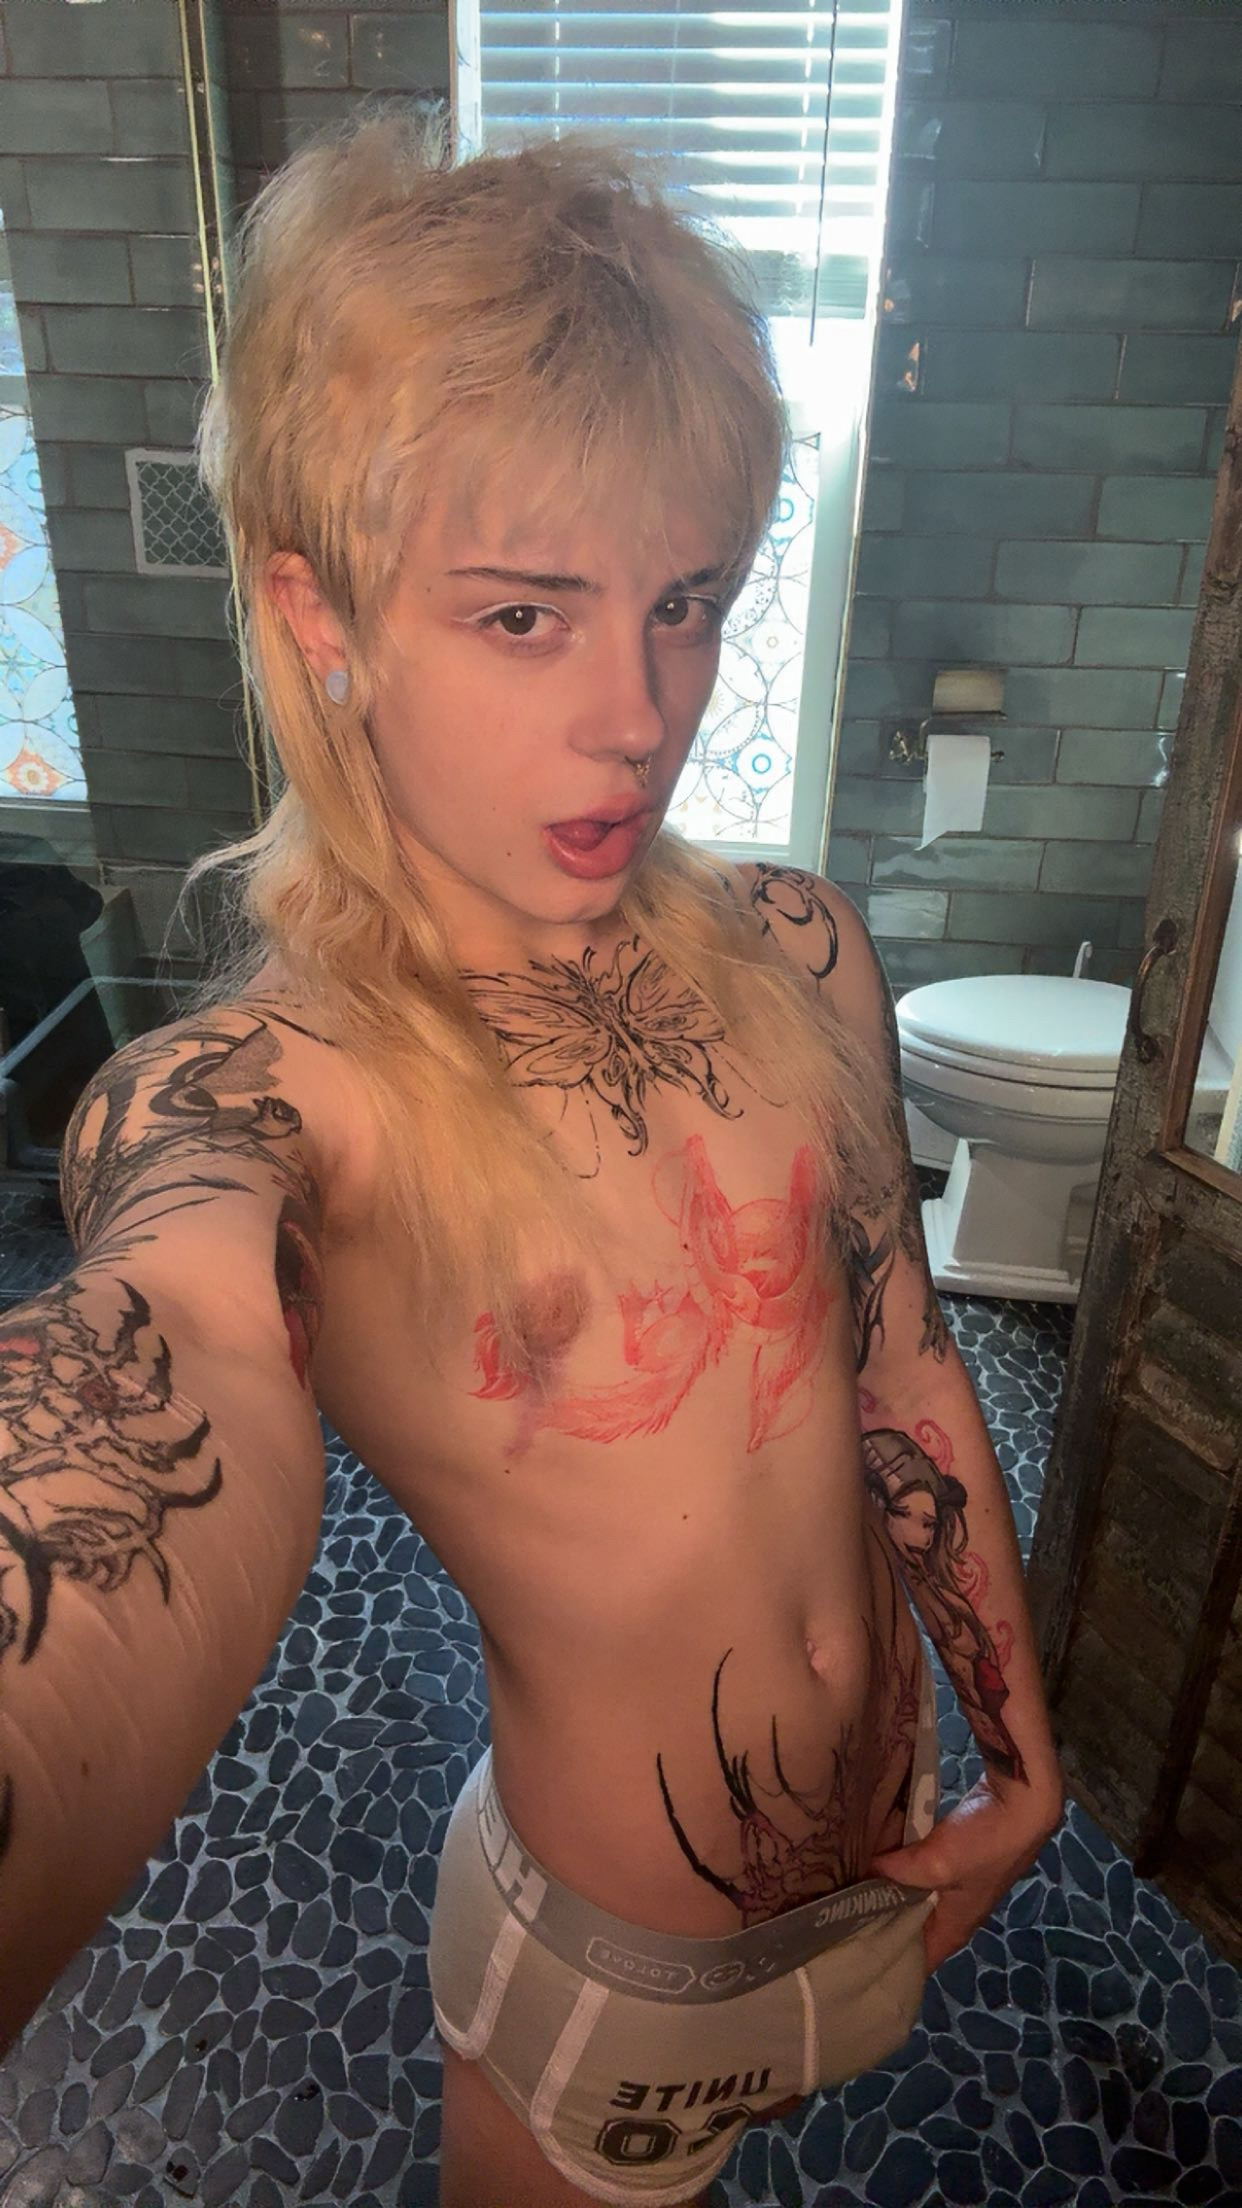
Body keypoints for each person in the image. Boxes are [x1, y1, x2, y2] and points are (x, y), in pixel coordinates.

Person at [0, 97, 1064, 2206]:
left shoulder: (801, 946)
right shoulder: (274, 1097)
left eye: (685, 603)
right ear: (320, 612)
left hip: (887, 1858)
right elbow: (155, 1366)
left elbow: (902, 1370)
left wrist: (1020, 1761)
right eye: (522, 617)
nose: (636, 715)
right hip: (619, 1966)